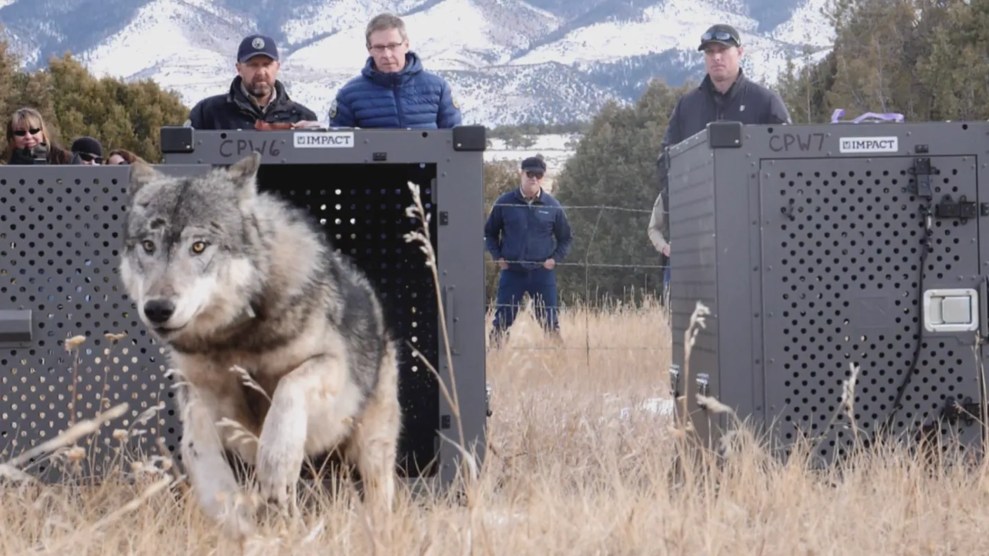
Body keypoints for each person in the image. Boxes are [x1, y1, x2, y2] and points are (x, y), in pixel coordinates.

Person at [648, 23, 790, 304]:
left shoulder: (766, 103)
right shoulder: (687, 107)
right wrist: (682, 206)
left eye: (723, 50)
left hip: (753, 239)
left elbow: (788, 165)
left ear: (740, 52)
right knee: (692, 328)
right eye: (710, 52)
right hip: (696, 237)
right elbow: (666, 161)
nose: (716, 57)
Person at [484, 156, 572, 345]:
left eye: (538, 175)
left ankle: (558, 361)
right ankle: (494, 358)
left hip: (542, 273)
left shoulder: (553, 206)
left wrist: (555, 259)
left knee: (550, 322)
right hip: (512, 272)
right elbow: (489, 233)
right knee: (502, 321)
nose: (533, 178)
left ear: (543, 177)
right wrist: (497, 257)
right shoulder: (505, 202)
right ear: (521, 174)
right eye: (529, 174)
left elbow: (565, 238)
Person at [329, 13, 461, 129]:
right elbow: (339, 149)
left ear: (406, 45)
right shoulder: (349, 95)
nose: (387, 54)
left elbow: (454, 141)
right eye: (379, 47)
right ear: (369, 49)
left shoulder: (438, 89)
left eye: (392, 46)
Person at [187, 34, 318, 130]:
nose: (261, 72)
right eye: (253, 65)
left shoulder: (303, 117)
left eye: (267, 64)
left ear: (277, 67)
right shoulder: (208, 113)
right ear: (239, 68)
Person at [2, 107, 72, 165]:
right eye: (21, 133)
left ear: (42, 132)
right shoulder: (6, 170)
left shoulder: (67, 160)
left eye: (33, 131)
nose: (28, 137)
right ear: (12, 138)